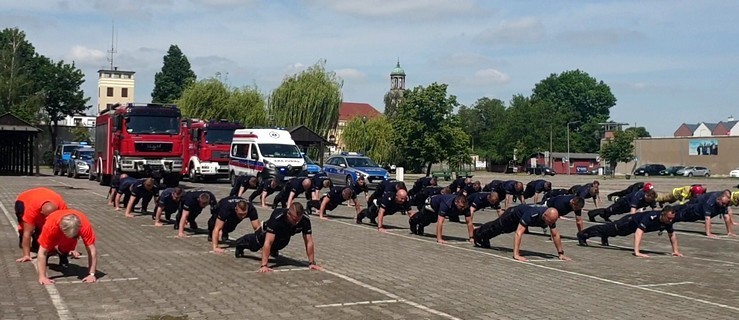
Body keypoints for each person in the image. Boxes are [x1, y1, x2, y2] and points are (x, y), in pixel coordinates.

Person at [233, 203, 321, 273]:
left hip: (284, 234)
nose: (296, 222)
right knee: (255, 244)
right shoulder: (278, 216)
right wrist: (264, 265)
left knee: (283, 243)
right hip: (267, 232)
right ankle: (239, 244)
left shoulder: (305, 219)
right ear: (288, 214)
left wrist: (311, 262)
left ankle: (273, 250)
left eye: (298, 219)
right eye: (294, 219)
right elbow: (268, 242)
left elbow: (308, 241)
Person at [472, 205, 570, 262]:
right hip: (511, 216)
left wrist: (561, 253)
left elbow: (555, 234)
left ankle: (483, 237)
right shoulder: (533, 213)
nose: (550, 224)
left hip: (518, 219)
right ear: (545, 215)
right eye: (550, 221)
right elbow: (519, 233)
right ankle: (477, 232)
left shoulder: (550, 217)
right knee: (497, 227)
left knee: (502, 231)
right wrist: (516, 254)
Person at [577, 206, 682, 258]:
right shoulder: (651, 216)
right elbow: (639, 233)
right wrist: (637, 252)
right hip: (627, 222)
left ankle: (605, 236)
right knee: (608, 229)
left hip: (630, 228)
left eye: (672, 218)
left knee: (615, 233)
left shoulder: (668, 221)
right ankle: (582, 235)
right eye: (669, 218)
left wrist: (675, 251)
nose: (670, 220)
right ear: (663, 214)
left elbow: (672, 235)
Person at [36, 209, 97, 285]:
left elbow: (92, 250)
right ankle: (53, 251)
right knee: (48, 248)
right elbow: (42, 252)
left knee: (66, 247)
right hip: (54, 223)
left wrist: (91, 274)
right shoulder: (50, 226)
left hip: (72, 227)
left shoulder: (85, 225)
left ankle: (63, 252)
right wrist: (42, 277)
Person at [14, 188, 68, 263]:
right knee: (25, 228)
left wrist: (71, 248)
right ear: (41, 212)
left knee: (39, 238)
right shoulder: (31, 210)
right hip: (23, 200)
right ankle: (21, 237)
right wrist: (26, 255)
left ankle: (36, 238)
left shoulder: (62, 208)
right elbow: (27, 233)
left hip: (43, 197)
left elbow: (68, 229)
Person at [587, 189, 657, 222]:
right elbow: (632, 212)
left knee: (615, 213)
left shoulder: (652, 199)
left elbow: (654, 210)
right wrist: (633, 222)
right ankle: (591, 213)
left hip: (627, 207)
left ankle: (605, 216)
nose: (650, 202)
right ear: (647, 195)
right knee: (609, 210)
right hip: (622, 203)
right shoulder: (637, 196)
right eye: (649, 200)